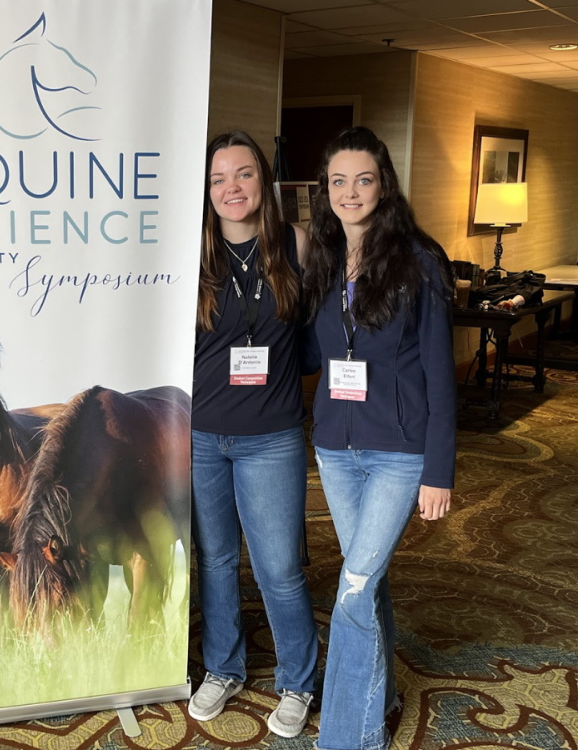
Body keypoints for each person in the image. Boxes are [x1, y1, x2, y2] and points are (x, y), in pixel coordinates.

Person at [303, 127, 455, 750]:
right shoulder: (324, 258)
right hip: (336, 448)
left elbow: (443, 376)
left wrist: (438, 470)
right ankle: (382, 693)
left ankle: (350, 737)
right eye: (338, 181)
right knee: (371, 583)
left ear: (383, 184)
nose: (350, 192)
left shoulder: (419, 261)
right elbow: (316, 347)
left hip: (399, 451)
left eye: (362, 179)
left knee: (354, 590)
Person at [189, 131, 319, 738]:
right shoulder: (191, 253)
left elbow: (319, 339)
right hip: (202, 435)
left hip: (272, 435)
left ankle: (298, 679)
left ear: (262, 183)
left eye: (242, 175)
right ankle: (224, 667)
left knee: (278, 567)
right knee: (215, 560)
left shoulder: (294, 245)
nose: (230, 188)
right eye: (218, 179)